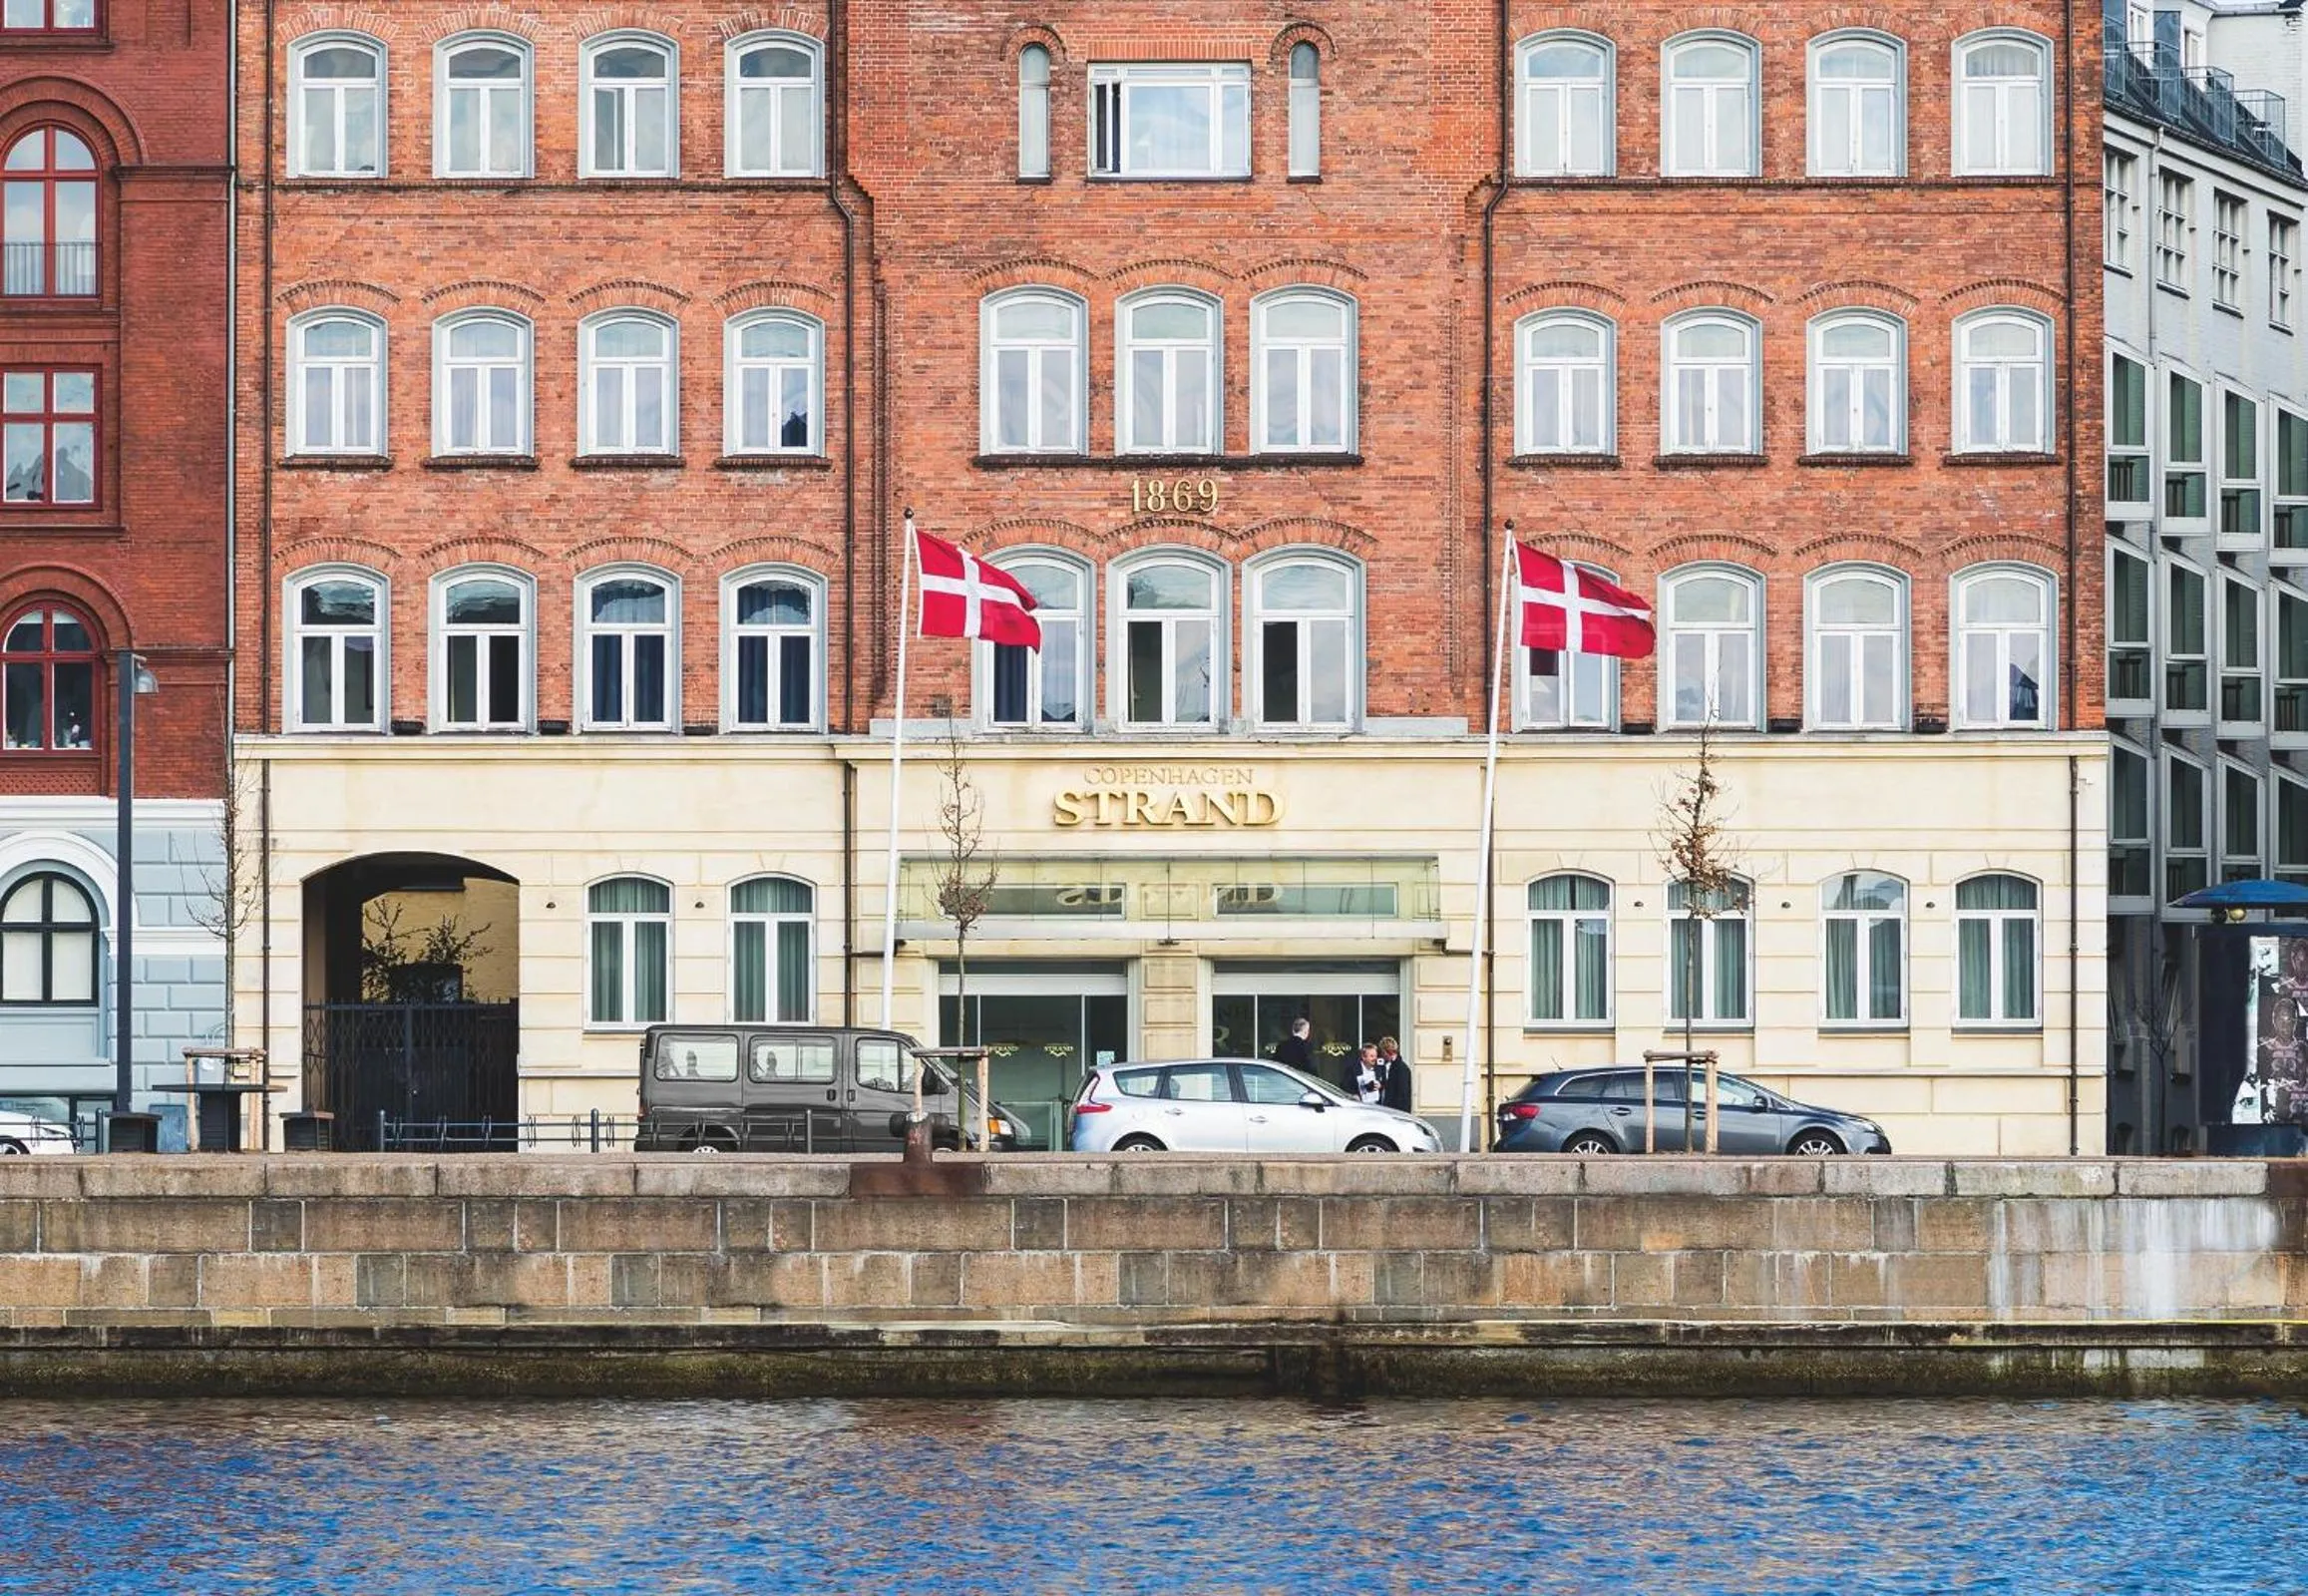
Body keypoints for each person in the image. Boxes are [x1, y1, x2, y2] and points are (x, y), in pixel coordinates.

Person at [1378, 1035, 1413, 1112]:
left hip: (1396, 1111)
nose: (1381, 1055)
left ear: (1386, 1051)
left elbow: (1402, 1094)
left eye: (1382, 1052)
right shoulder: (1389, 1066)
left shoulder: (1401, 1068)